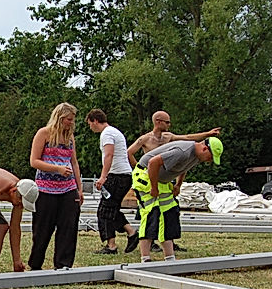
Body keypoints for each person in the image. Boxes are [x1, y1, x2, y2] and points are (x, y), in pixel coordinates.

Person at [127, 112, 220, 252]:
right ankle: (147, 247)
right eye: (167, 122)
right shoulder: (145, 139)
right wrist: (139, 170)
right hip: (149, 174)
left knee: (170, 211)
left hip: (163, 176)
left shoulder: (169, 137)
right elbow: (131, 153)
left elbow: (188, 139)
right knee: (151, 212)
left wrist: (208, 134)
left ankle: (168, 247)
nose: (170, 125)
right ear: (158, 122)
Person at [27, 103, 83, 269]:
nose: (71, 123)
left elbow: (74, 163)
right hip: (45, 189)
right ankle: (35, 264)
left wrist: (79, 189)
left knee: (68, 227)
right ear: (60, 118)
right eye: (68, 120)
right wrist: (57, 169)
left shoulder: (70, 138)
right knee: (42, 229)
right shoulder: (44, 134)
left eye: (72, 120)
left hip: (68, 188)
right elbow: (34, 161)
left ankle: (63, 264)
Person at [85, 109, 140, 255]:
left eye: (90, 124)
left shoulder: (107, 133)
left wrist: (103, 177)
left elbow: (109, 155)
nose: (91, 127)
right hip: (124, 175)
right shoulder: (114, 131)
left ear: (95, 120)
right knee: (111, 209)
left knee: (105, 211)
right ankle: (131, 233)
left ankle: (112, 245)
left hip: (117, 176)